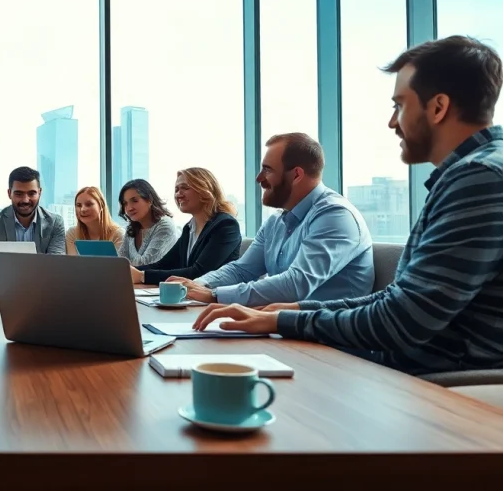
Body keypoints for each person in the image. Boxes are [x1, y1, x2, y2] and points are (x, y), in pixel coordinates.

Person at [192, 36, 503, 375]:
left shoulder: (478, 178)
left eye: (399, 106)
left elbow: (404, 319)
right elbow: (398, 300)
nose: (392, 122)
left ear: (438, 107)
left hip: (439, 383)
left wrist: (285, 319)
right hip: (412, 368)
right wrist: (293, 312)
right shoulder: (471, 174)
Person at [169, 133, 373, 307]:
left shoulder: (335, 216)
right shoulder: (276, 221)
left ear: (296, 175)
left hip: (326, 336)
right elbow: (241, 270)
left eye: (267, 169)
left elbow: (296, 284)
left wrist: (215, 295)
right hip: (284, 326)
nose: (259, 178)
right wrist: (198, 285)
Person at [129, 168, 242, 286]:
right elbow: (164, 264)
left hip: (214, 295)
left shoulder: (226, 225)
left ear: (204, 189)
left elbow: (199, 272)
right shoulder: (189, 228)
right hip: (189, 294)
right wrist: (127, 271)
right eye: (176, 190)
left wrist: (142, 276)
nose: (178, 194)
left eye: (185, 188)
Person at [0, 166, 66, 277]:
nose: (25, 200)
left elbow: (57, 263)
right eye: (19, 194)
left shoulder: (55, 222)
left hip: (41, 284)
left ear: (40, 193)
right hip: (2, 283)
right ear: (9, 193)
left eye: (31, 193)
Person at [116, 179, 180, 266]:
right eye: (125, 203)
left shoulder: (165, 226)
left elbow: (147, 265)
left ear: (149, 199)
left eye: (135, 201)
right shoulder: (131, 228)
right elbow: (119, 262)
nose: (129, 208)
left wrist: (125, 265)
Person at [64, 186, 124, 254]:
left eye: (88, 204)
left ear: (101, 205)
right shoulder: (72, 234)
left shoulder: (118, 234)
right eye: (78, 205)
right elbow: (73, 260)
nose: (82, 209)